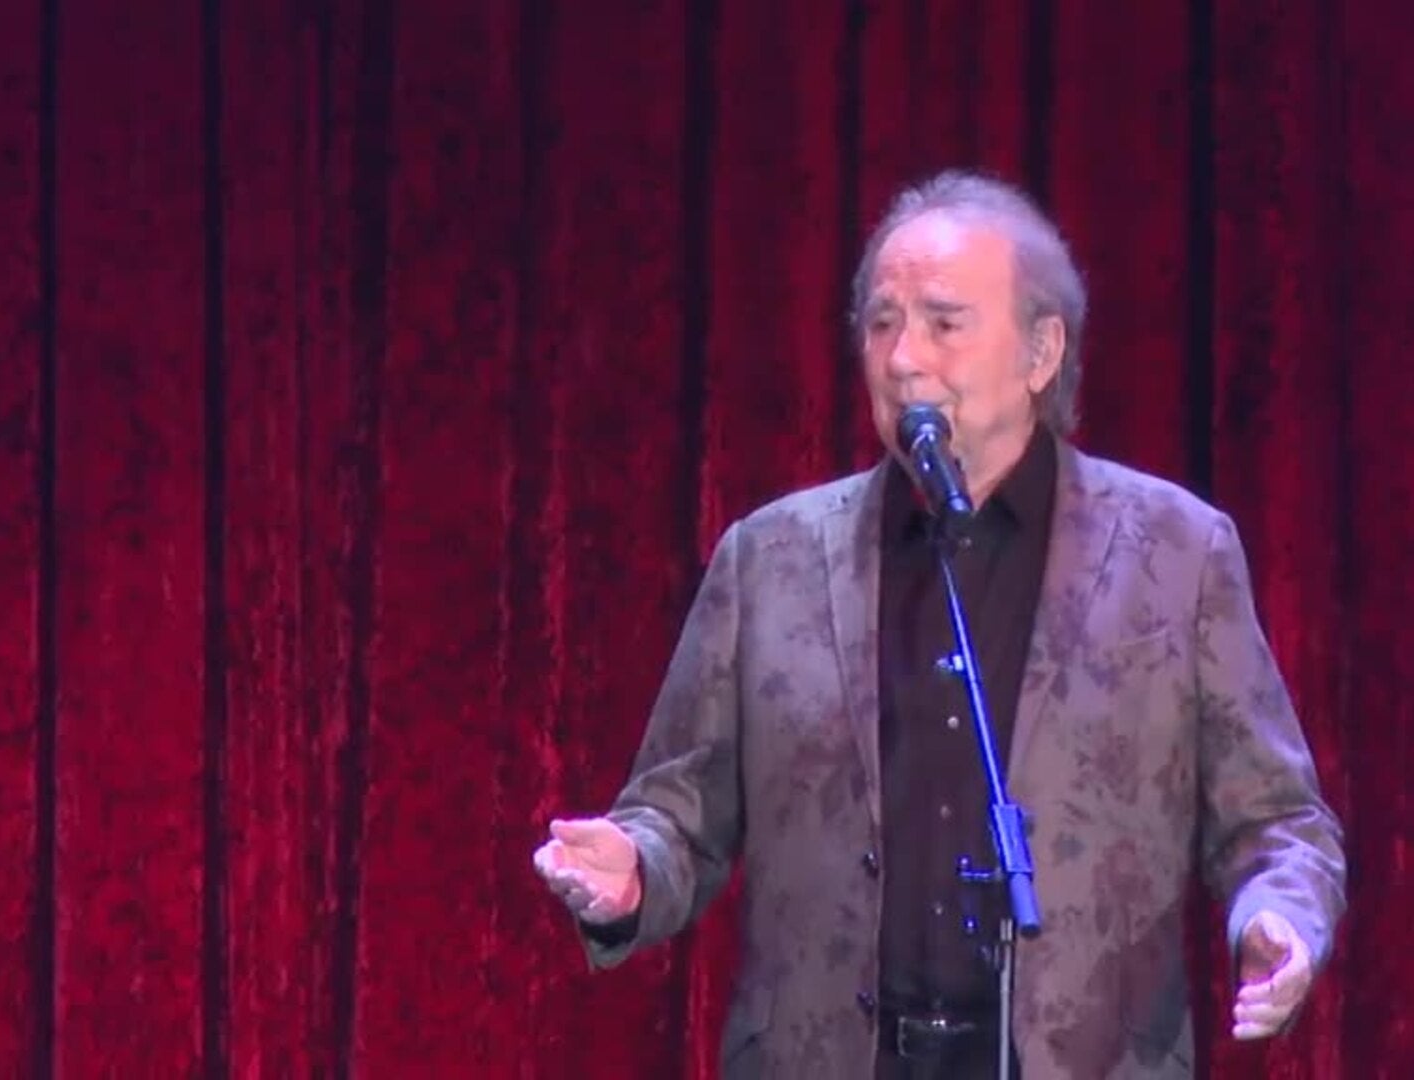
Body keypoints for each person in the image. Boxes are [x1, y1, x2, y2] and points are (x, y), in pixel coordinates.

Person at [532, 169, 1346, 1079]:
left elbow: (1276, 821)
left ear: (1041, 352)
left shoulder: (1176, 554)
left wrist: (1279, 915)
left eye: (943, 323)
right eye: (882, 324)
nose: (902, 358)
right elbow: (679, 812)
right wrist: (634, 866)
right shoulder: (770, 559)